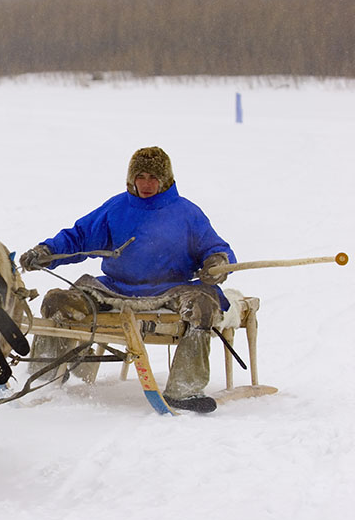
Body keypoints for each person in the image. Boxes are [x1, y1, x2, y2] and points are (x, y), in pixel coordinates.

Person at [19, 146, 235, 413]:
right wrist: (47, 252)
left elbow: (217, 249)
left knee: (203, 306)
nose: (146, 184)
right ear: (131, 178)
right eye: (141, 176)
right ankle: (45, 373)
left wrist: (217, 262)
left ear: (166, 180)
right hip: (114, 289)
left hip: (170, 290)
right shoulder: (116, 208)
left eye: (154, 177)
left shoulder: (187, 213)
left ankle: (185, 389)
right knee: (57, 301)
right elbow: (79, 236)